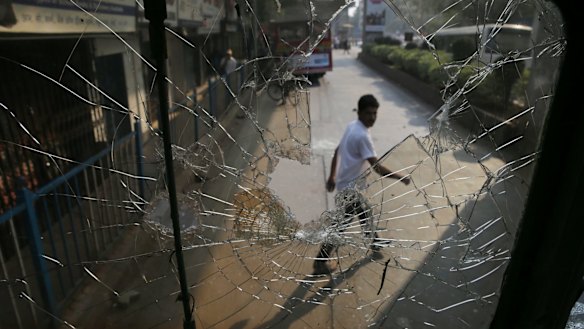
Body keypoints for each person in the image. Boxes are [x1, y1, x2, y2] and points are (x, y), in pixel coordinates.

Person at [313, 94, 410, 274]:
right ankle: (319, 262)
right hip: (350, 190)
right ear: (359, 112)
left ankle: (374, 242)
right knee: (340, 226)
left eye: (375, 113)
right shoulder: (362, 135)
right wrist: (401, 177)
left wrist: (332, 177)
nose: (372, 118)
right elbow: (378, 168)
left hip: (347, 186)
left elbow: (337, 151)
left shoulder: (353, 127)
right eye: (368, 113)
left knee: (364, 214)